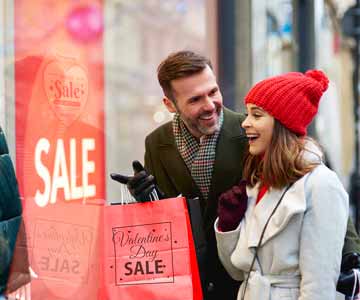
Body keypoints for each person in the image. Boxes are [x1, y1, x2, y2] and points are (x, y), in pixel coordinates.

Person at [111, 51, 360, 299]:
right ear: (170, 105)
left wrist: (351, 257)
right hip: (189, 284)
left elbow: (321, 197)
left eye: (213, 92)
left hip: (238, 283)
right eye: (195, 99)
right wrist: (147, 198)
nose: (210, 105)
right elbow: (165, 223)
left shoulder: (254, 133)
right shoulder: (157, 143)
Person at [215, 70, 348, 300]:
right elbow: (237, 271)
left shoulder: (321, 185)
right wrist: (228, 227)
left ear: (283, 123)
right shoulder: (258, 182)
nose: (245, 123)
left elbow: (319, 287)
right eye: (247, 114)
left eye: (256, 115)